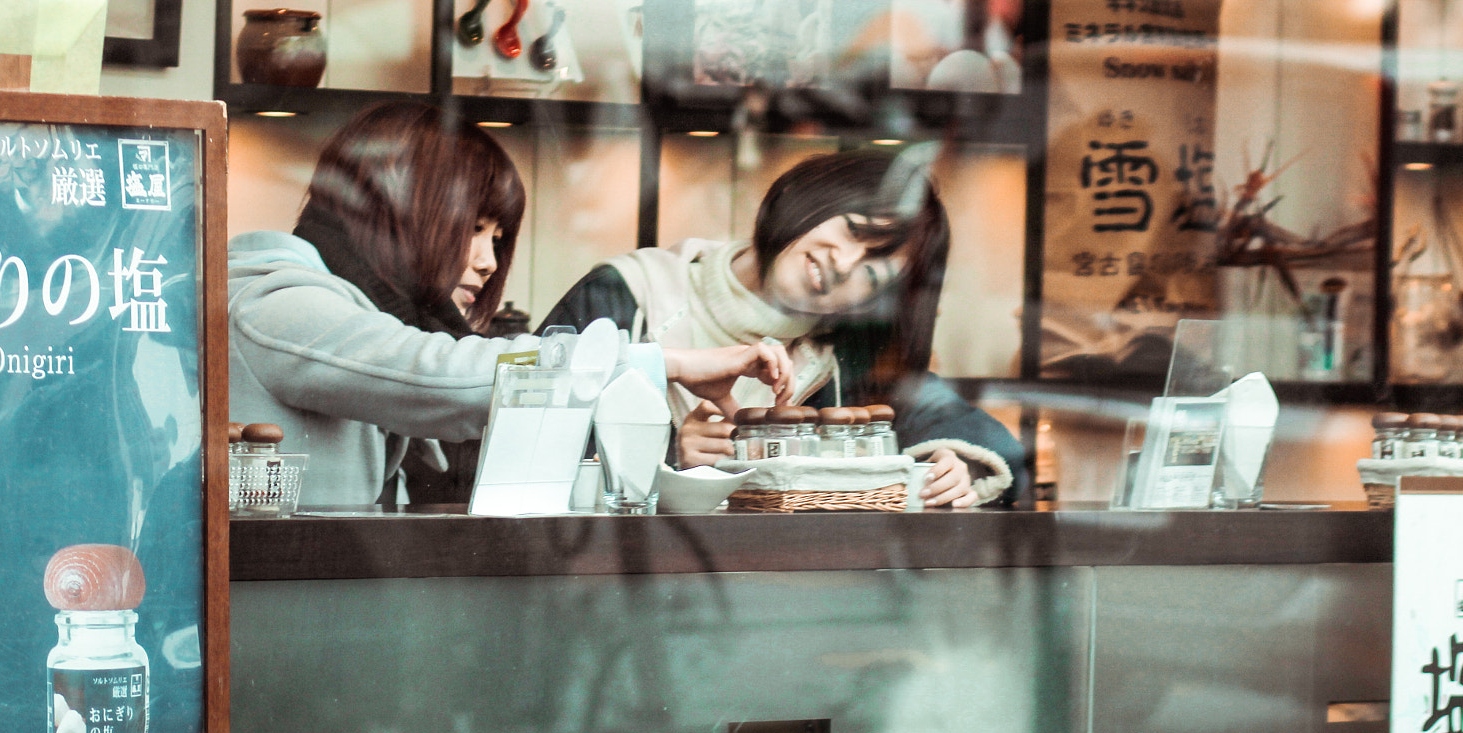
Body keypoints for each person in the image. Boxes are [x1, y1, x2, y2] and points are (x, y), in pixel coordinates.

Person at [228, 102, 790, 506]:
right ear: (393, 217)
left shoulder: (363, 311)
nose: (489, 262)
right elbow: (442, 376)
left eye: (497, 238)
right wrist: (666, 362)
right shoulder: (274, 301)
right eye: (471, 229)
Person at [539, 149, 1024, 508]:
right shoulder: (628, 292)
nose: (844, 263)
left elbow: (971, 430)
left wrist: (956, 464)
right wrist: (664, 455)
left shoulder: (844, 360)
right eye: (853, 231)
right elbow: (518, 436)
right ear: (815, 196)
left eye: (872, 275)